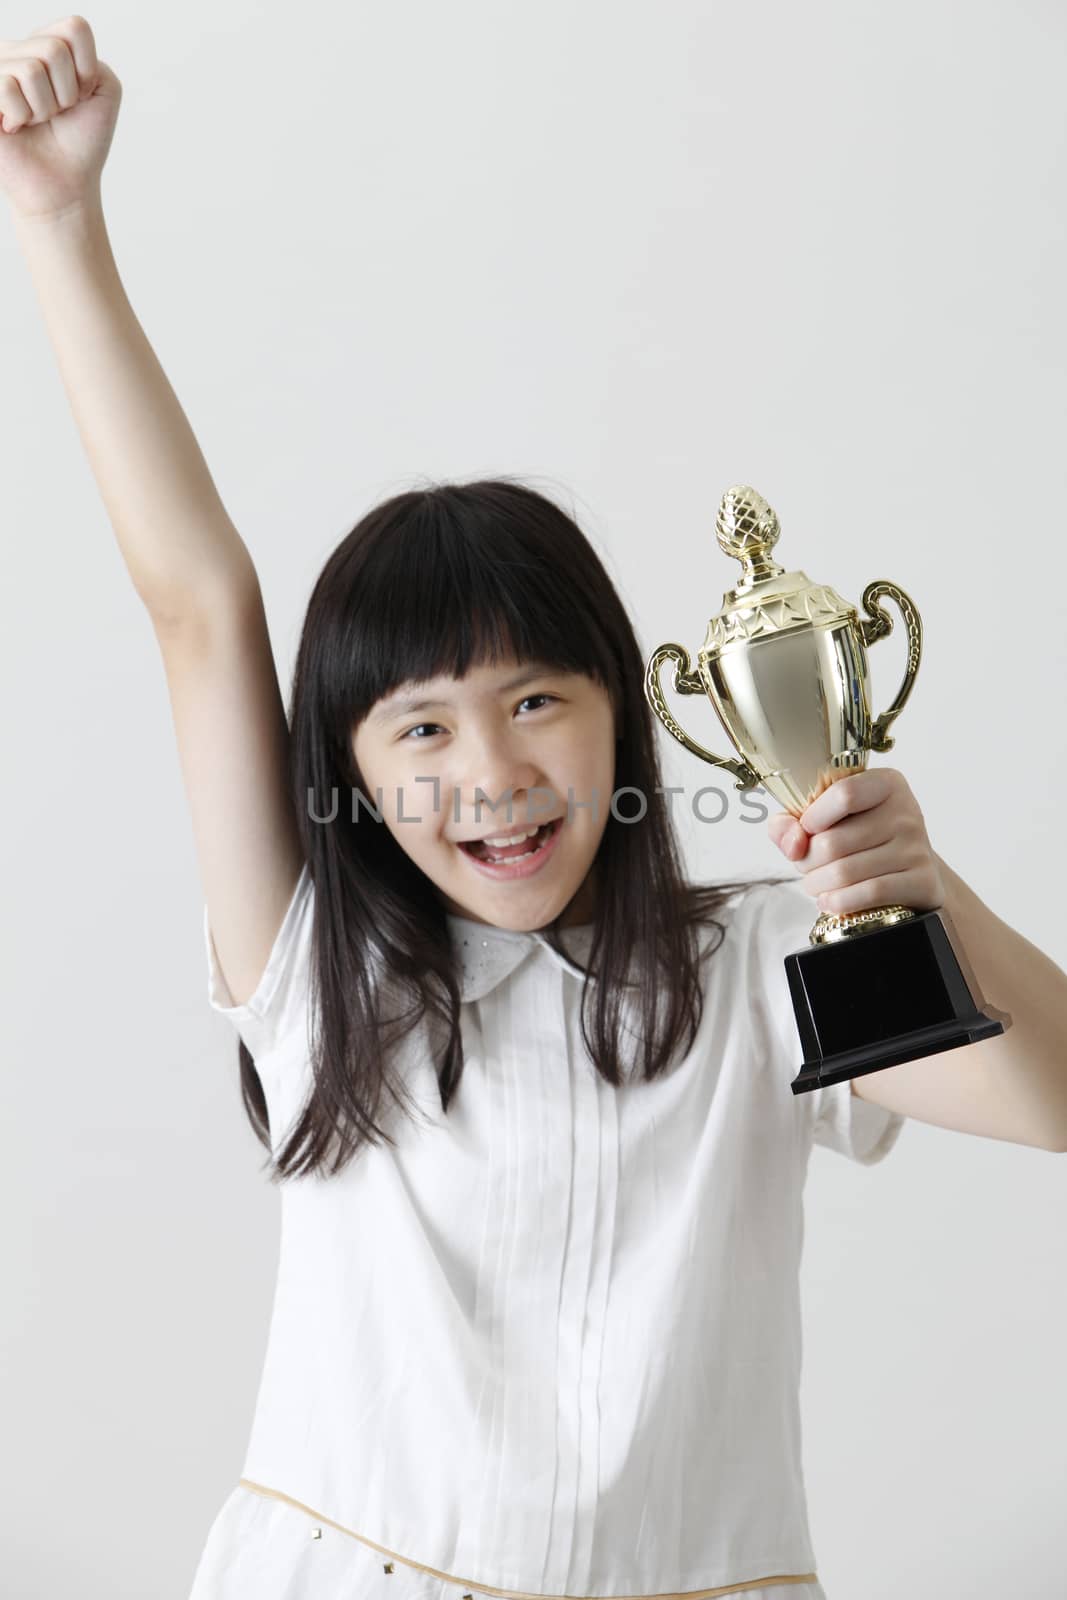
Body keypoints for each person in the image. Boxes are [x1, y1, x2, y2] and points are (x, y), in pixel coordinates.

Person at [5, 19, 1065, 1600]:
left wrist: (914, 881)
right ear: (351, 782)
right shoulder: (320, 976)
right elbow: (200, 607)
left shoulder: (766, 969)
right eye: (419, 727)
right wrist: (61, 222)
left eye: (533, 704)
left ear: (625, 713)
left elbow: (1057, 1100)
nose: (490, 774)